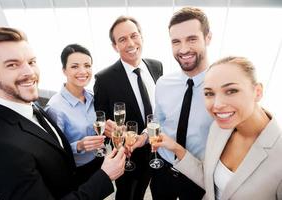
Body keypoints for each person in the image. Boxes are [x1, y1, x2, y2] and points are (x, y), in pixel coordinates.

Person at [0, 27, 126, 200]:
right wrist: (104, 176)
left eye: (32, 62)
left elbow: (55, 150)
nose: (29, 72)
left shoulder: (31, 105)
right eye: (12, 64)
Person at [153, 56, 282, 200]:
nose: (217, 104)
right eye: (209, 93)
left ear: (257, 92)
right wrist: (176, 148)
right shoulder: (218, 128)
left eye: (231, 91)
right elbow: (210, 180)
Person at [132, 7, 214, 199]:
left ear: (208, 38)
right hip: (162, 171)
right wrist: (143, 136)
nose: (183, 49)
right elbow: (157, 122)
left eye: (192, 39)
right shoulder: (163, 83)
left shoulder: (221, 87)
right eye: (176, 41)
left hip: (199, 177)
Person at [94, 16, 163, 200]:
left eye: (134, 36)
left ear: (142, 36)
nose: (131, 43)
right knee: (129, 196)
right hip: (130, 157)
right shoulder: (104, 79)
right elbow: (101, 119)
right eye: (122, 39)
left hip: (159, 148)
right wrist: (110, 131)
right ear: (114, 46)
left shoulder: (156, 66)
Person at [45, 44, 113, 185]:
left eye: (87, 65)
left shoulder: (93, 97)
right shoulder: (55, 108)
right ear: (64, 70)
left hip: (99, 159)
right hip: (76, 169)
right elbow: (52, 151)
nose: (83, 71)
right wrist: (79, 146)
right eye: (75, 66)